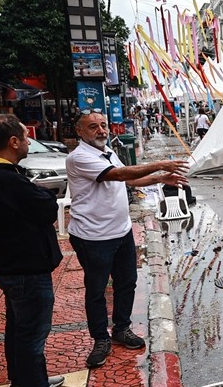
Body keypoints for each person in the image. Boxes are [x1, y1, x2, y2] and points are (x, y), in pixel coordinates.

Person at [0, 114, 81, 387]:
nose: (29, 142)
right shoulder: (5, 179)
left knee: (18, 329)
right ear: (13, 142)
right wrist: (44, 196)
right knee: (31, 332)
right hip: (25, 269)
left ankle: (22, 382)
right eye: (26, 137)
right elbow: (45, 208)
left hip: (14, 265)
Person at [66, 111, 188, 368]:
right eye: (93, 127)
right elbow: (119, 175)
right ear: (79, 131)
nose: (101, 130)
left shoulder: (108, 151)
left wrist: (159, 178)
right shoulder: (79, 157)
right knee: (97, 289)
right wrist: (160, 164)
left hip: (121, 231)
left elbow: (130, 179)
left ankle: (121, 328)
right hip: (93, 236)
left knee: (127, 282)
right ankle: (100, 338)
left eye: (103, 125)